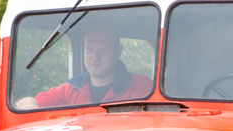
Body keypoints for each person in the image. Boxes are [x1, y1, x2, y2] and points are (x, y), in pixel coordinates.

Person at [16, 26, 151, 109]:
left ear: (117, 51)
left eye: (102, 50)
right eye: (89, 50)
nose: (94, 57)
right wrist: (27, 103)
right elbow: (36, 103)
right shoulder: (71, 90)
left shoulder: (142, 87)